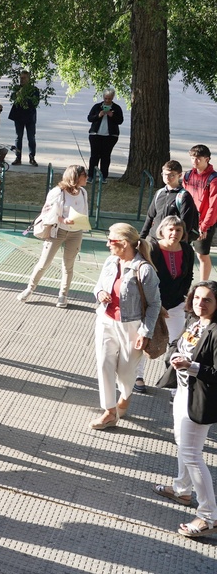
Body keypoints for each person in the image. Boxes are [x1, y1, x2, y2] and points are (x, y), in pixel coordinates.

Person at [154, 281, 217, 538]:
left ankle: (209, 516)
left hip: (199, 399)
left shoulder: (215, 330)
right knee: (183, 446)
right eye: (197, 298)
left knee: (191, 454)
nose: (200, 303)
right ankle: (182, 490)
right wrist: (173, 354)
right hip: (182, 393)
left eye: (207, 300)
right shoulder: (194, 320)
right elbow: (179, 343)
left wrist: (190, 366)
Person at [90, 223, 162, 430]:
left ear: (123, 243)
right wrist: (100, 293)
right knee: (104, 364)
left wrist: (145, 332)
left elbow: (155, 303)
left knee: (126, 371)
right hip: (105, 320)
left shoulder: (145, 270)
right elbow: (98, 285)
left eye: (111, 241)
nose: (107, 244)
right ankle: (109, 412)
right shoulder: (111, 261)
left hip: (132, 325)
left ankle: (125, 395)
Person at [137, 216, 196, 393]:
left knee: (177, 345)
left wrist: (184, 297)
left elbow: (189, 275)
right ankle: (138, 376)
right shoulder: (151, 247)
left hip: (176, 303)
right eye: (170, 229)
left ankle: (172, 384)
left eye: (178, 230)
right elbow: (143, 277)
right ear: (162, 231)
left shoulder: (187, 249)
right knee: (143, 338)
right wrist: (156, 304)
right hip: (151, 303)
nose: (174, 233)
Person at [18, 165, 89, 308]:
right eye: (84, 175)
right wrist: (63, 220)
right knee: (44, 262)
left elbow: (84, 211)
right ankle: (30, 289)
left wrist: (80, 222)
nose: (87, 177)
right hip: (58, 231)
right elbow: (49, 213)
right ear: (75, 177)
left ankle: (63, 295)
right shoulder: (58, 192)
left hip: (76, 233)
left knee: (68, 266)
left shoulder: (83, 192)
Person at [141, 160, 199, 242]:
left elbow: (186, 224)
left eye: (172, 175)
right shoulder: (159, 193)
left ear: (179, 175)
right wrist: (142, 238)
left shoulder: (184, 196)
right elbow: (150, 217)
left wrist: (178, 241)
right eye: (165, 174)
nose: (167, 177)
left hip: (171, 241)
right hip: (153, 238)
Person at [184, 145, 217, 280]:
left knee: (202, 254)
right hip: (188, 220)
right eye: (192, 158)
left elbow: (214, 206)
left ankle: (203, 283)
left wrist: (205, 226)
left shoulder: (213, 179)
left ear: (207, 159)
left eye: (198, 158)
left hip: (204, 223)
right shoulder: (188, 175)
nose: (195, 161)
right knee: (183, 251)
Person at [86, 89, 124, 181]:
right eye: (105, 98)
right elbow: (90, 118)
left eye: (109, 99)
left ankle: (103, 176)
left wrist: (112, 115)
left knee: (106, 156)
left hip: (110, 136)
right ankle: (91, 176)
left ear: (112, 98)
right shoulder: (97, 106)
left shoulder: (116, 108)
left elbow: (120, 121)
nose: (107, 101)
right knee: (94, 156)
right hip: (95, 134)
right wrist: (99, 115)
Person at [8, 71, 39, 166]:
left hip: (29, 116)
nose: (22, 80)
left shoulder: (34, 90)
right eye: (21, 78)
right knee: (18, 137)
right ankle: (18, 157)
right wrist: (18, 94)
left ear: (29, 79)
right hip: (18, 116)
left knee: (31, 138)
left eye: (24, 78)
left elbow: (35, 103)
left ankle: (32, 157)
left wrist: (25, 98)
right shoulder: (17, 88)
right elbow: (12, 97)